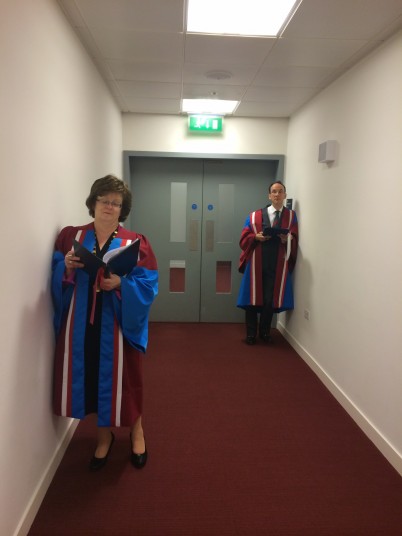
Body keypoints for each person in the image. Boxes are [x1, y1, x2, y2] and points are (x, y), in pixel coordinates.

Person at [51, 174, 158, 471]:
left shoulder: (135, 242)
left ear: (122, 208)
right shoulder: (72, 237)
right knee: (94, 379)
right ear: (93, 202)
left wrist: (121, 284)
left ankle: (137, 432)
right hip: (83, 322)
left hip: (119, 322)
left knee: (128, 378)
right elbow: (57, 269)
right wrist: (67, 266)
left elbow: (148, 284)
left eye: (116, 203)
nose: (110, 207)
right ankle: (103, 436)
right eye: (104, 200)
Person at [237, 181, 298, 345]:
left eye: (280, 192)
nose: (277, 195)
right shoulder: (254, 216)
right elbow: (243, 239)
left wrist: (287, 239)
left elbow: (295, 238)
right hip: (256, 262)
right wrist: (255, 237)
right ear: (269, 195)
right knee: (252, 298)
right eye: (274, 192)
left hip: (277, 263)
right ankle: (251, 334)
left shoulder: (291, 216)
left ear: (285, 195)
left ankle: (264, 332)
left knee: (269, 299)